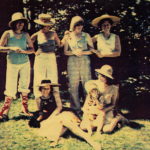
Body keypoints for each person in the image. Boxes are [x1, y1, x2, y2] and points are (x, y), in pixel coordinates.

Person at [0, 12, 35, 121]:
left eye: (22, 23)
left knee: (24, 85)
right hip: (12, 63)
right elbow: (0, 47)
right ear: (14, 24)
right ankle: (4, 111)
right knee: (10, 86)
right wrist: (11, 48)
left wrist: (24, 51)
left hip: (24, 63)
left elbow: (32, 49)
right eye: (18, 23)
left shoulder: (26, 35)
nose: (20, 25)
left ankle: (24, 109)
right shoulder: (7, 33)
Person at [29, 107, 101, 150]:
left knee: (64, 121)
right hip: (62, 122)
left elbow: (63, 110)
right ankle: (89, 140)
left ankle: (90, 140)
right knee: (61, 123)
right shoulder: (43, 121)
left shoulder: (58, 110)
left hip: (66, 118)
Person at [64, 16, 94, 114]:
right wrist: (74, 52)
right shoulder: (69, 36)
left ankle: (88, 107)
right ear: (73, 26)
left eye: (81, 25)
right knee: (73, 85)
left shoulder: (86, 35)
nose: (79, 27)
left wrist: (83, 52)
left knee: (87, 84)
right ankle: (75, 109)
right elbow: (65, 52)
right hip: (72, 61)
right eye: (77, 25)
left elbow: (92, 50)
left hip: (85, 60)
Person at [84, 65, 127, 133]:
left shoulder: (113, 88)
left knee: (106, 130)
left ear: (108, 78)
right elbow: (88, 101)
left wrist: (104, 110)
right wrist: (86, 111)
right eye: (100, 75)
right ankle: (97, 125)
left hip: (106, 111)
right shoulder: (92, 84)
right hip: (94, 110)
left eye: (104, 76)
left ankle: (118, 118)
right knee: (84, 127)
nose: (100, 77)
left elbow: (113, 104)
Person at [31, 13, 62, 110]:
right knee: (39, 79)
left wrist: (66, 36)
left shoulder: (53, 33)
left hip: (51, 57)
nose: (45, 26)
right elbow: (28, 44)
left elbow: (60, 44)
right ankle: (39, 106)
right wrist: (34, 52)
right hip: (40, 58)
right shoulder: (37, 34)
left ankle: (56, 104)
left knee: (53, 79)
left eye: (47, 24)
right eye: (43, 24)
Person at [91, 14, 121, 80]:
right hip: (100, 61)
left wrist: (103, 54)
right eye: (104, 25)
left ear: (110, 25)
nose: (106, 26)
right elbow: (87, 44)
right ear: (101, 26)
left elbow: (118, 53)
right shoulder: (97, 36)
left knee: (113, 81)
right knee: (101, 80)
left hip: (113, 61)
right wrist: (96, 52)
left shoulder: (115, 37)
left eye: (108, 25)